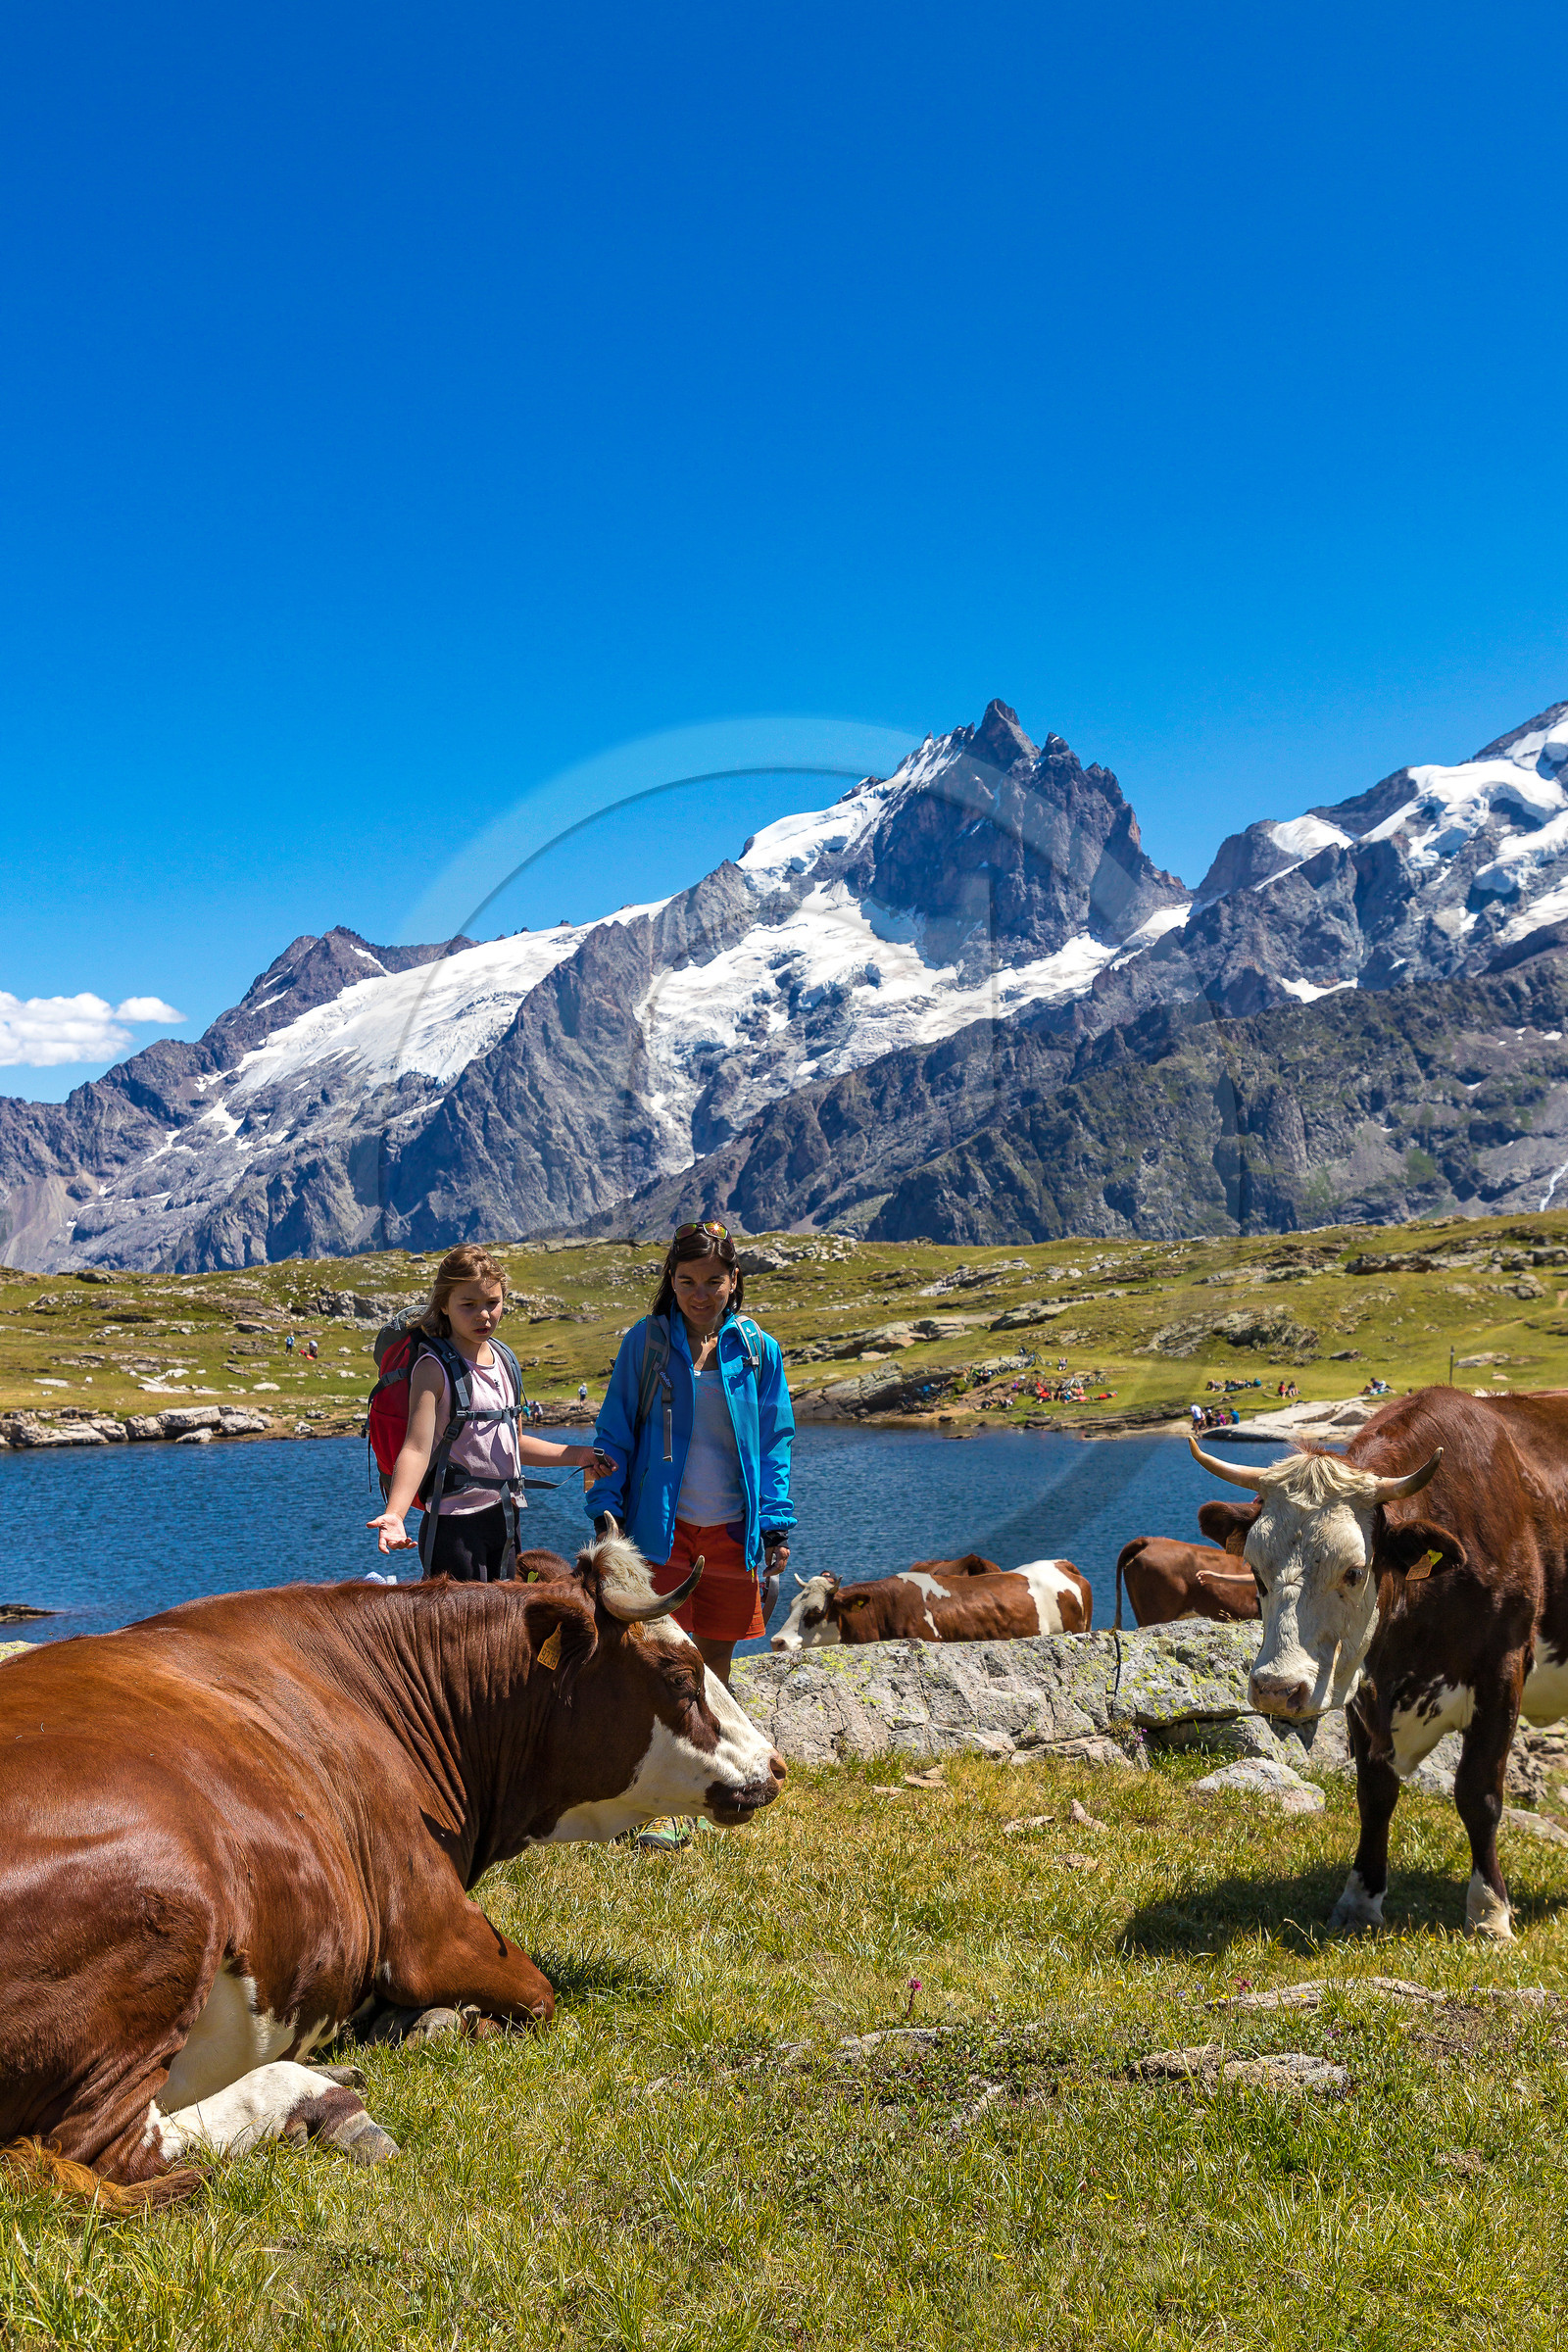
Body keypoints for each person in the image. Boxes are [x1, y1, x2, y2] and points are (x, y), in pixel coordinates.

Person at [589, 1221, 795, 1688]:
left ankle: (707, 1733)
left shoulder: (760, 1351)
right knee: (654, 1651)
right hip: (659, 1533)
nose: (699, 1295)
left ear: (734, 1280)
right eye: (687, 1281)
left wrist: (775, 1527)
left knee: (717, 1655)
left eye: (713, 1281)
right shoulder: (645, 1342)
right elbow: (614, 1434)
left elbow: (774, 1445)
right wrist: (605, 1510)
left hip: (734, 1534)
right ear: (671, 1279)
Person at [368, 1243, 608, 1580]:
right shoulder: (432, 1369)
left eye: (492, 1303)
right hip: (453, 1529)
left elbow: (516, 1444)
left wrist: (579, 1455)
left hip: (506, 1520)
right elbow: (416, 1449)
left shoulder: (506, 1361)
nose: (483, 1315)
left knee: (506, 1615)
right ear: (444, 1305)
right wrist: (395, 1514)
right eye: (468, 1305)